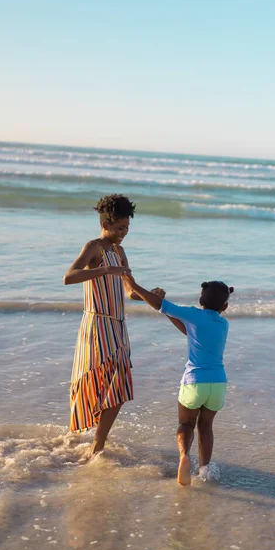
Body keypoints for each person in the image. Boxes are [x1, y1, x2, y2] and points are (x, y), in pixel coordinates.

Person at [63, 194, 163, 456]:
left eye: (127, 228)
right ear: (106, 223)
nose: (124, 233)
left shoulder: (120, 252)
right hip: (96, 325)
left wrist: (148, 293)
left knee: (118, 386)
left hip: (118, 326)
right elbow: (69, 276)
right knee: (101, 382)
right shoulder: (94, 247)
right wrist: (105, 271)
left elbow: (129, 291)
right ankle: (95, 443)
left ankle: (98, 442)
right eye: (120, 228)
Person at [122, 274, 234, 485]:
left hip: (195, 381)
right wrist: (166, 312)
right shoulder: (223, 324)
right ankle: (205, 470)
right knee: (206, 427)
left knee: (185, 424)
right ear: (225, 306)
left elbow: (159, 304)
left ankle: (184, 456)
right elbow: (189, 331)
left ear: (201, 301)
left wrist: (135, 285)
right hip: (218, 383)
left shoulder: (193, 314)